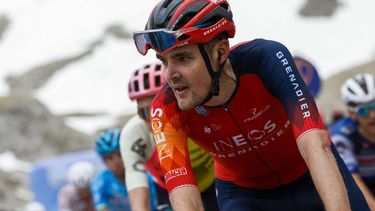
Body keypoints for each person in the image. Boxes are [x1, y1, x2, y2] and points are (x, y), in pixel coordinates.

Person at [132, 0, 370, 210]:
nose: (169, 74)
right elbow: (184, 197)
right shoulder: (165, 109)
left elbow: (315, 143)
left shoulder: (265, 59)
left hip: (311, 172)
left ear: (220, 52)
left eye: (183, 58)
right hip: (245, 195)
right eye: (163, 61)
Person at [120, 62, 218, 211]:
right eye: (145, 112)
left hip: (212, 183)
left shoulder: (200, 115)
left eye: (160, 106)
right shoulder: (133, 133)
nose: (154, 117)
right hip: (167, 190)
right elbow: (136, 181)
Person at [330, 73, 375, 210]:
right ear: (352, 114)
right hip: (361, 187)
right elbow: (353, 178)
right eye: (363, 111)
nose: (372, 115)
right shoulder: (342, 134)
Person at [91, 129, 131, 211]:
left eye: (120, 154)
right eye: (110, 158)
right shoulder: (100, 181)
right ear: (104, 161)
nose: (117, 162)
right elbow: (100, 206)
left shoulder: (145, 173)